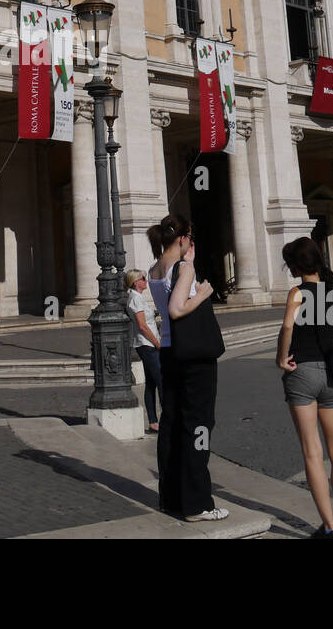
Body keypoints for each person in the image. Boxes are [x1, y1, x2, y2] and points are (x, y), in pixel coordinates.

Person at [276, 236, 333, 539]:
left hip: (301, 373)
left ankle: (328, 529)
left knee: (312, 454)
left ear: (296, 266)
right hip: (330, 376)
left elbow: (288, 327)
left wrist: (280, 358)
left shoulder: (298, 293)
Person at [147, 214, 228, 522]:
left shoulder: (154, 269)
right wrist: (205, 291)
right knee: (199, 426)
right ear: (182, 238)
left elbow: (170, 301)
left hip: (169, 352)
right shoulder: (184, 268)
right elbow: (177, 308)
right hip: (195, 358)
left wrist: (187, 263)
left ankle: (171, 498)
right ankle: (198, 504)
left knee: (172, 423)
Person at [126, 269, 162, 433]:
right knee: (162, 380)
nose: (146, 281)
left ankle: (154, 422)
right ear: (135, 282)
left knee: (151, 383)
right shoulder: (135, 299)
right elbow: (141, 325)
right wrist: (157, 343)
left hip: (148, 344)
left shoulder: (138, 298)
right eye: (143, 278)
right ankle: (168, 418)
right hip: (147, 345)